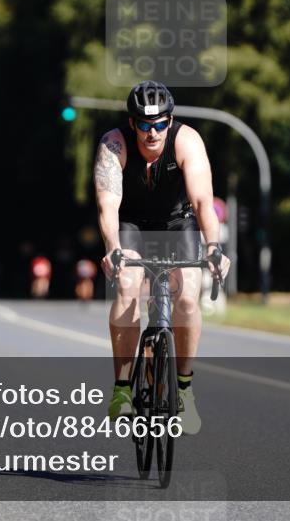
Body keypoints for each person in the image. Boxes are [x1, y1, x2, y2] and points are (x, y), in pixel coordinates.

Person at [95, 80, 231, 435]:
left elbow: (203, 201)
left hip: (177, 224)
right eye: (143, 124)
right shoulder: (114, 144)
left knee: (188, 294)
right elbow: (108, 204)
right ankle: (123, 389)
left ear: (170, 121)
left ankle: (184, 390)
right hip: (133, 225)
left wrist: (214, 247)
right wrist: (113, 248)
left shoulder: (187, 141)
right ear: (131, 123)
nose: (152, 132)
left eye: (159, 124)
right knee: (126, 286)